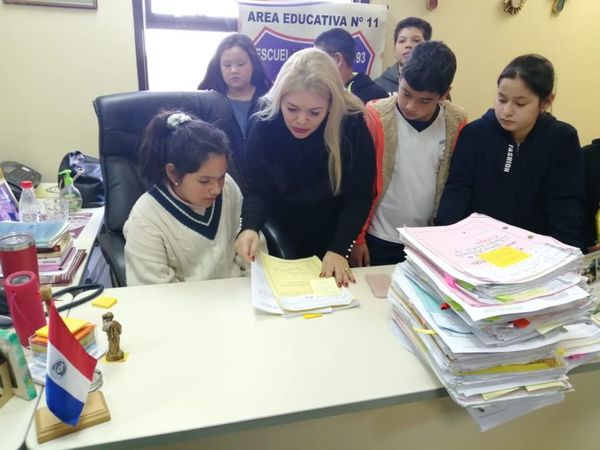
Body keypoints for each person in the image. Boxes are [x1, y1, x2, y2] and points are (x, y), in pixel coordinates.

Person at [235, 48, 376, 287]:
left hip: (332, 232)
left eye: (314, 112)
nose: (301, 120)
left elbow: (359, 196)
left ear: (331, 105)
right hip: (279, 232)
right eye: (292, 109)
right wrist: (249, 226)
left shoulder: (351, 122)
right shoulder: (264, 120)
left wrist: (339, 248)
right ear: (280, 99)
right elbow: (258, 188)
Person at [436, 54, 585, 249]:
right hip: (475, 249)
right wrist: (443, 245)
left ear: (546, 102)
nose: (506, 111)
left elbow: (566, 208)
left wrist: (565, 257)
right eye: (501, 99)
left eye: (520, 103)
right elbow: (456, 196)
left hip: (534, 254)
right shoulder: (475, 134)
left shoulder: (561, 139)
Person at [351, 41, 467, 267]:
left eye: (425, 101)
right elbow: (359, 183)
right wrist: (358, 238)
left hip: (427, 242)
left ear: (444, 94)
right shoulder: (375, 117)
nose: (411, 106)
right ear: (401, 74)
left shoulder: (456, 123)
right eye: (406, 93)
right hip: (379, 237)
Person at [123, 110, 247, 285]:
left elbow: (249, 255)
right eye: (204, 181)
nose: (217, 189)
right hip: (184, 308)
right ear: (173, 173)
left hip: (237, 297)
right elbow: (152, 293)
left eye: (221, 177)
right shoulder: (146, 217)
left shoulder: (228, 187)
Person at [198, 33, 272, 192]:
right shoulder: (207, 101)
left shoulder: (271, 99)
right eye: (226, 65)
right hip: (222, 187)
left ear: (253, 64)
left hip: (266, 187)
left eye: (240, 64)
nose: (233, 70)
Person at [314, 28, 388, 104]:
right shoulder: (318, 93)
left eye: (318, 59)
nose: (313, 66)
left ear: (337, 60)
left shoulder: (376, 97)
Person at [374, 17, 432, 95]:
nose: (408, 45)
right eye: (402, 41)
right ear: (394, 48)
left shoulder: (435, 83)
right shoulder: (378, 85)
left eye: (416, 41)